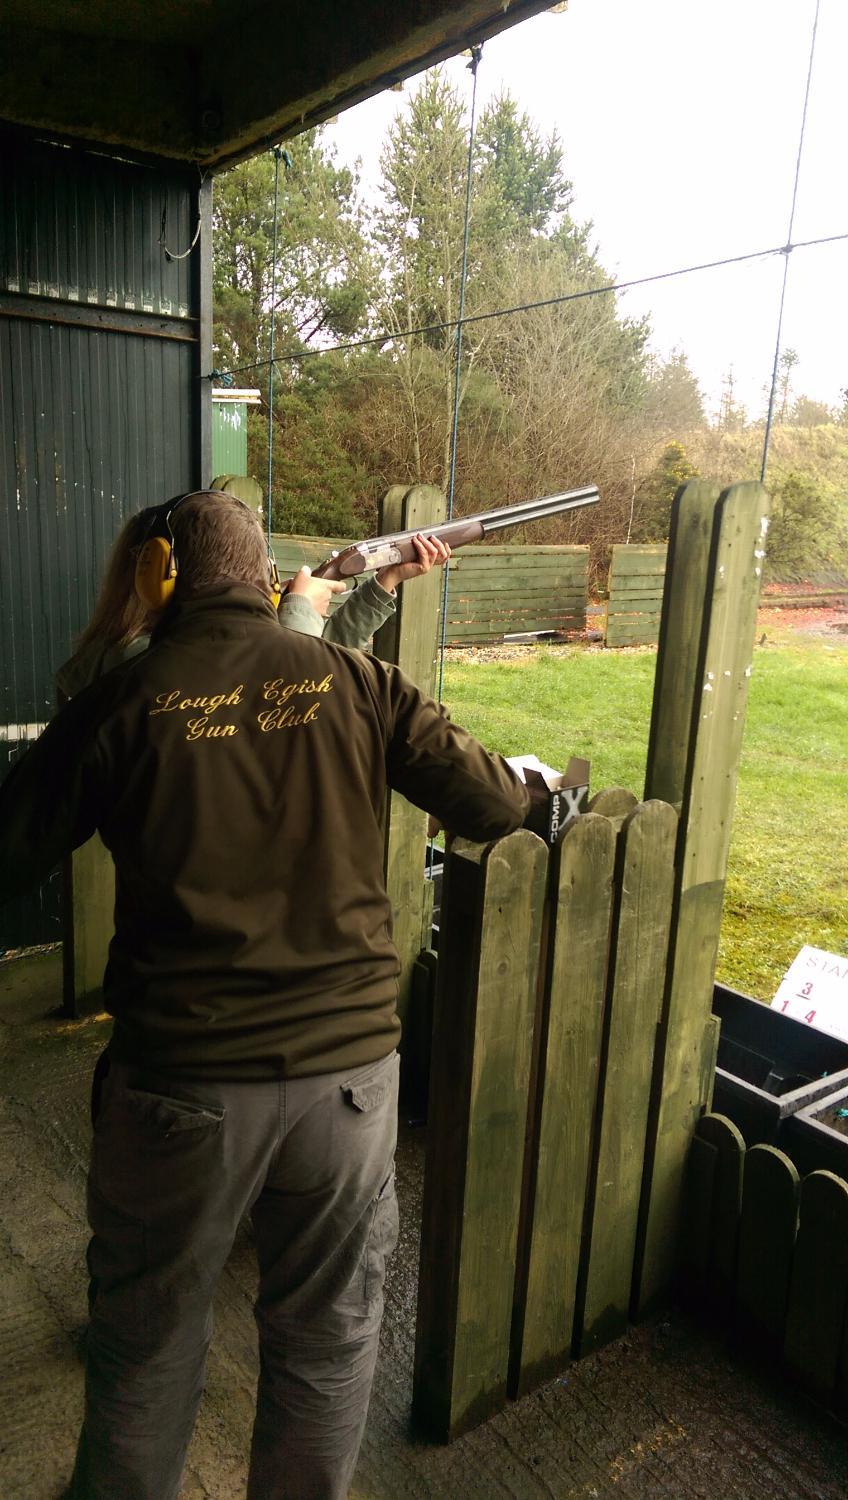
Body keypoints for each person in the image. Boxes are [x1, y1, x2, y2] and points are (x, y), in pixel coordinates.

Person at [0, 490, 529, 1500]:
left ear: (161, 574)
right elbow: (494, 804)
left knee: (146, 1353)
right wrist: (541, 791)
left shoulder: (118, 701)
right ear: (266, 575)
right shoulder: (362, 682)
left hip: (180, 1092)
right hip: (349, 1092)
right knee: (326, 1348)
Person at [57, 500, 451, 698]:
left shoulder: (122, 656)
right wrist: (296, 614)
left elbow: (317, 656)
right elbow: (289, 698)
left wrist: (388, 578)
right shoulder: (141, 664)